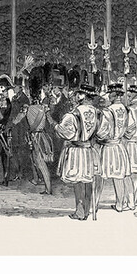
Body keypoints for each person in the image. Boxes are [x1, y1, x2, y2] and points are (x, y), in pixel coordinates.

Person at [54, 84, 100, 220]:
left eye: (77, 94)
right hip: (90, 151)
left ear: (82, 96)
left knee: (78, 182)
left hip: (77, 151)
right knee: (88, 180)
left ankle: (80, 211)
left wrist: (54, 124)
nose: (74, 96)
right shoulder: (98, 113)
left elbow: (65, 133)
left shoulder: (72, 114)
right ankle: (87, 210)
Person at [95, 82, 132, 212]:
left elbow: (102, 131)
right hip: (119, 146)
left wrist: (98, 137)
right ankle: (120, 204)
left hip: (109, 147)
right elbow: (129, 128)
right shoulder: (126, 109)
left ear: (113, 94)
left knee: (100, 176)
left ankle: (94, 204)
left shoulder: (108, 111)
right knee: (119, 177)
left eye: (109, 93)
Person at [11, 95, 53, 195]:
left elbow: (16, 121)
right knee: (36, 160)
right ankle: (39, 181)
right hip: (42, 136)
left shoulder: (27, 108)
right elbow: (51, 122)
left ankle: (48, 188)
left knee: (40, 163)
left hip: (35, 137)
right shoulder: (44, 108)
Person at [0, 74, 13, 186]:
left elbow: (8, 117)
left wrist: (2, 126)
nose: (1, 90)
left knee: (4, 155)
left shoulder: (9, 103)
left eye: (3, 88)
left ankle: (5, 179)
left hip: (4, 132)